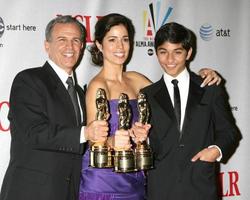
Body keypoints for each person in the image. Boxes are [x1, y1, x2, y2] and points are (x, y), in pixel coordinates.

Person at [79, 13, 221, 200]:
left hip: (136, 174)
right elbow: (92, 139)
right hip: (106, 179)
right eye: (112, 40)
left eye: (125, 39)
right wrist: (113, 142)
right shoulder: (98, 86)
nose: (120, 47)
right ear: (99, 45)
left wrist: (201, 75)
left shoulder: (137, 80)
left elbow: (173, 93)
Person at [0, 15, 108, 200]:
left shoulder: (81, 93)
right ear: (47, 46)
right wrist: (85, 133)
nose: (70, 47)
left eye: (76, 40)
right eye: (62, 40)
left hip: (70, 192)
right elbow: (33, 132)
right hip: (32, 193)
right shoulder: (28, 80)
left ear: (82, 47)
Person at [142, 22, 240, 200]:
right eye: (163, 52)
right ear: (156, 53)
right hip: (161, 188)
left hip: (201, 186)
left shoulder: (210, 87)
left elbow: (229, 131)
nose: (170, 59)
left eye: (177, 52)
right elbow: (149, 142)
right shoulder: (147, 95)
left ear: (189, 53)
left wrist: (216, 150)